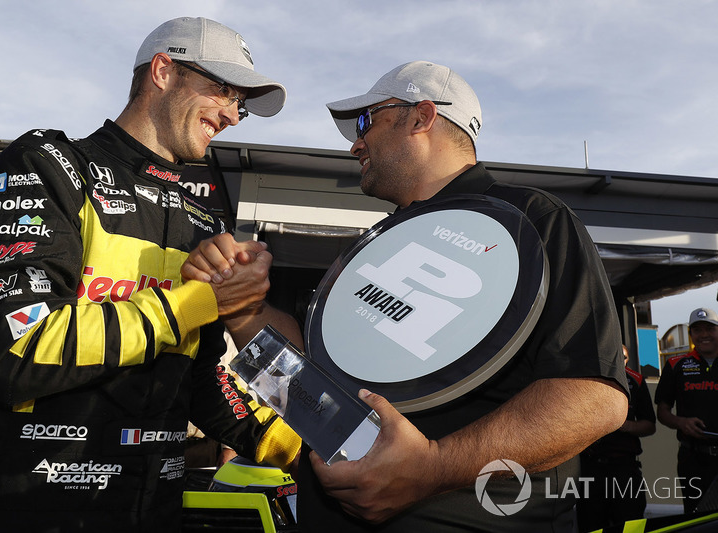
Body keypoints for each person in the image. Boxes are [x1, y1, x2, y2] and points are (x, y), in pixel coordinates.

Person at [183, 60, 629, 532]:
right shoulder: (383, 239)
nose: (355, 143)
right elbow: (315, 378)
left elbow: (594, 397)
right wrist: (242, 308)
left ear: (422, 117)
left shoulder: (533, 221)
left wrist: (433, 468)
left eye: (365, 121)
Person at [0, 17, 302, 533]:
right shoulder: (52, 166)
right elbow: (19, 349)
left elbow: (199, 377)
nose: (232, 114)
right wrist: (200, 301)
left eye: (241, 104)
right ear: (163, 71)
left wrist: (301, 448)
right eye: (223, 89)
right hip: (35, 505)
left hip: (156, 510)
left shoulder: (203, 221)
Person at [577, 345, 656, 532]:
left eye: (625, 358)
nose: (620, 361)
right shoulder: (583, 379)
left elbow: (650, 425)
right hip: (590, 468)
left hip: (624, 468)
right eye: (615, 356)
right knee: (590, 525)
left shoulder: (636, 381)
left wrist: (624, 425)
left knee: (630, 526)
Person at [655, 307, 718, 513]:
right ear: (691, 334)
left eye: (710, 328)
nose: (704, 335)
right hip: (694, 459)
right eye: (697, 330)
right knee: (695, 518)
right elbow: (662, 411)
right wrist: (681, 423)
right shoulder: (676, 365)